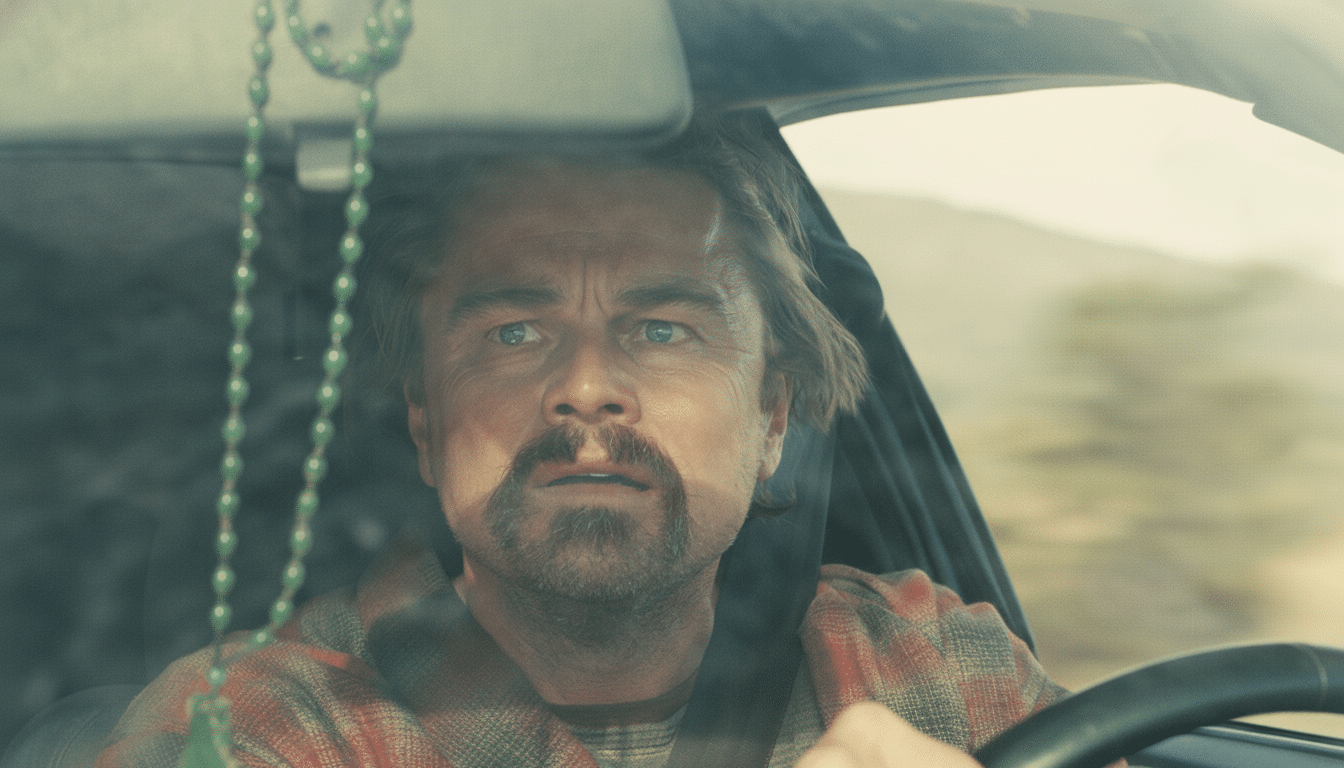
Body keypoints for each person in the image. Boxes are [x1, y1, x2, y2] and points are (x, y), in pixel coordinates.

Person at [96, 113, 1062, 768]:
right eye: (513, 334)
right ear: (425, 428)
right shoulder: (259, 730)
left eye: (662, 331)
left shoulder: (934, 665)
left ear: (772, 420)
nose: (588, 390)